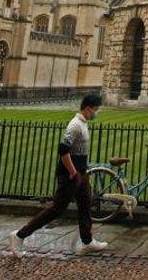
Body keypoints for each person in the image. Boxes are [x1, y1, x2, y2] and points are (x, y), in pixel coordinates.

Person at [9, 94, 107, 257]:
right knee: (56, 209)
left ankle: (87, 241)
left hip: (80, 173)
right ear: (87, 108)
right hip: (70, 175)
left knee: (85, 204)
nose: (96, 113)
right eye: (95, 110)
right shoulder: (75, 125)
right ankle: (19, 235)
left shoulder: (83, 123)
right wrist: (73, 172)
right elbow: (63, 150)